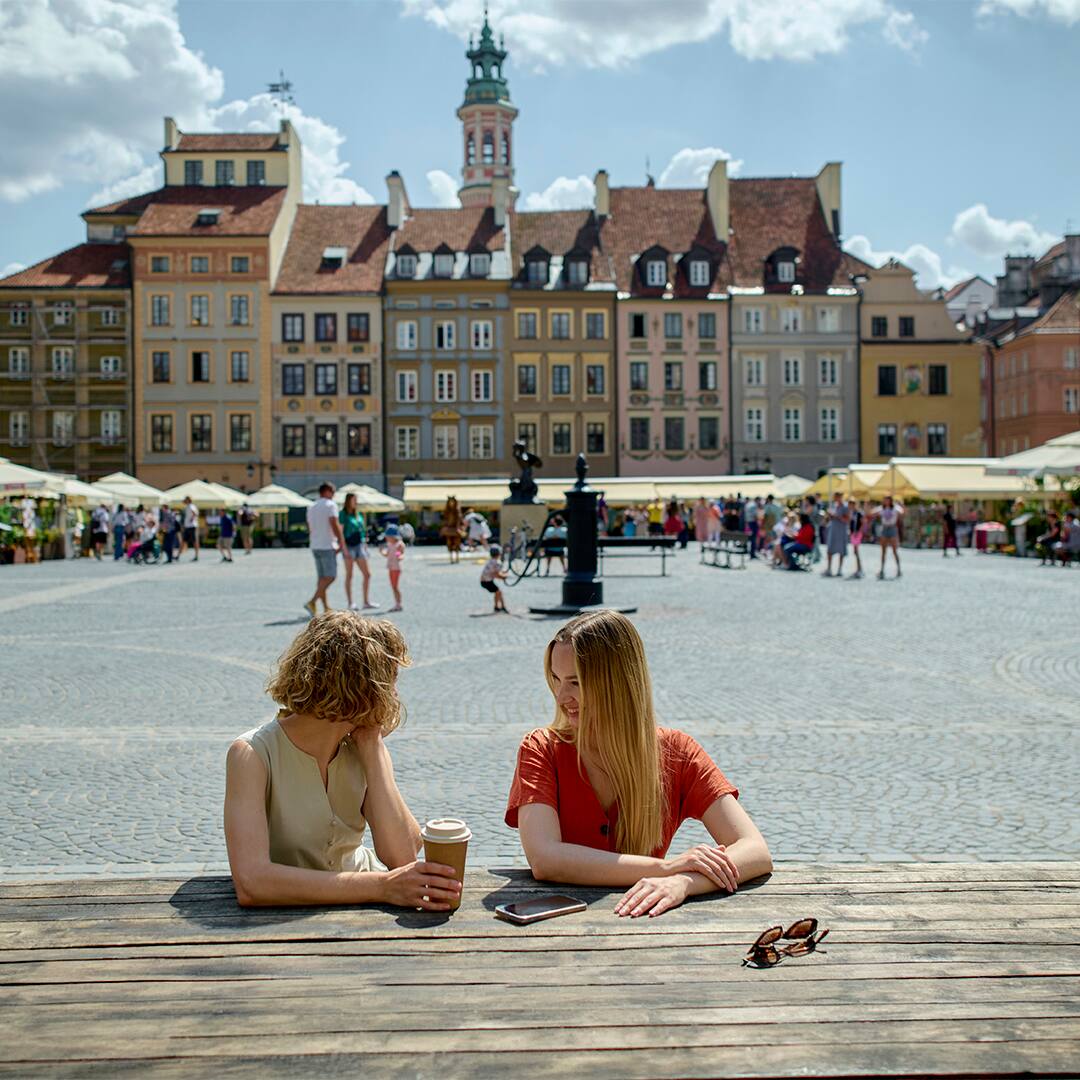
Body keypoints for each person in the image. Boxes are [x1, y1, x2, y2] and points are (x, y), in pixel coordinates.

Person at [505, 611, 772, 919]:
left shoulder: (677, 752)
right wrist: (666, 869)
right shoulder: (540, 749)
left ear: (617, 684)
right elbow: (545, 859)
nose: (561, 695)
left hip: (644, 929)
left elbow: (755, 851)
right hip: (556, 933)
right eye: (555, 679)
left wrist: (685, 882)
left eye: (576, 682)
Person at [223, 613, 461, 910]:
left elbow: (403, 857)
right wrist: (381, 887)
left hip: (367, 909)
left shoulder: (362, 747)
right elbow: (252, 883)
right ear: (365, 689)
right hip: (298, 916)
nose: (395, 695)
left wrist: (373, 751)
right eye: (389, 683)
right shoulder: (251, 755)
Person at [304, 482, 346, 619]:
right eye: (333, 492)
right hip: (327, 545)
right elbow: (334, 524)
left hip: (315, 545)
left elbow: (310, 527)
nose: (334, 495)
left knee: (322, 578)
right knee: (331, 576)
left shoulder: (311, 506)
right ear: (327, 491)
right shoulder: (330, 505)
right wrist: (340, 541)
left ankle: (326, 607)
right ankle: (312, 601)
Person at [340, 492, 375, 612]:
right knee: (349, 575)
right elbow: (340, 532)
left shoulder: (358, 514)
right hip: (349, 546)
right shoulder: (343, 514)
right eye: (354, 500)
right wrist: (344, 549)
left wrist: (365, 544)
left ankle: (366, 601)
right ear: (348, 501)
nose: (356, 502)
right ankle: (351, 603)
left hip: (359, 545)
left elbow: (362, 531)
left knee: (367, 574)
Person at [870, 495, 904, 580]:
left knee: (894, 550)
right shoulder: (881, 508)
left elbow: (902, 512)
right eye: (885, 500)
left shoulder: (895, 508)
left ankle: (899, 569)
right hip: (885, 528)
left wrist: (901, 505)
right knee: (883, 551)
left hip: (892, 528)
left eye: (887, 500)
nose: (886, 502)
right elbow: (871, 513)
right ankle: (882, 570)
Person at [823, 492, 850, 578]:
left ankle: (839, 569)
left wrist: (837, 516)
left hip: (841, 530)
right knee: (830, 549)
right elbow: (828, 518)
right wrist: (829, 515)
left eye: (837, 497)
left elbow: (847, 519)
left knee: (841, 549)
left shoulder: (845, 507)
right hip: (833, 530)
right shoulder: (833, 506)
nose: (836, 498)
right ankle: (829, 568)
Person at [381, 524, 405, 611]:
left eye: (387, 536)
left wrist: (399, 556)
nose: (386, 538)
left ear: (393, 536)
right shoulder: (390, 544)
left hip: (396, 568)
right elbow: (387, 554)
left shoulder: (399, 544)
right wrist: (381, 552)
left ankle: (398, 604)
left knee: (395, 586)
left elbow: (401, 554)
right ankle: (397, 603)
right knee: (393, 586)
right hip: (391, 568)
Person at [480, 544, 509, 613]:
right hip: (487, 582)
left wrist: (502, 575)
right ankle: (498, 607)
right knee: (498, 592)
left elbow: (494, 572)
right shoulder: (497, 563)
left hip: (484, 580)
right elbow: (496, 574)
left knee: (498, 592)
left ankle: (501, 606)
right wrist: (503, 577)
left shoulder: (491, 561)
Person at [440, 496, 464, 564]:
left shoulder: (457, 511)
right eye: (450, 501)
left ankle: (457, 557)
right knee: (449, 544)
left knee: (457, 544)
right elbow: (445, 520)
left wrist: (459, 527)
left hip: (456, 529)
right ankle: (451, 558)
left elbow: (460, 520)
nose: (451, 503)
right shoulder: (447, 511)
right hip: (449, 529)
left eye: (452, 501)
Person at [847, 498, 864, 580]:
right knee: (855, 552)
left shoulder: (859, 513)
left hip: (857, 533)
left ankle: (859, 569)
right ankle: (858, 568)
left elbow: (862, 523)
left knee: (856, 552)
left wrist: (858, 531)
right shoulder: (852, 513)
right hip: (853, 533)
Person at [180, 497, 199, 561]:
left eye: (185, 500)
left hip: (191, 526)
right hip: (188, 526)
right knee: (184, 540)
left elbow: (195, 513)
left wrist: (192, 519)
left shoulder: (191, 506)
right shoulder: (188, 506)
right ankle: (178, 555)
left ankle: (196, 556)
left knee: (193, 541)